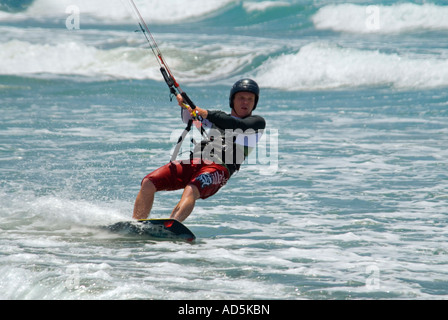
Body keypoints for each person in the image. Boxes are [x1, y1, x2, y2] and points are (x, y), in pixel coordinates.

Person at [132, 79, 266, 222]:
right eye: (241, 98)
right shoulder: (217, 118)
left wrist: (205, 112)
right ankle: (136, 224)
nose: (245, 102)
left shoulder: (256, 123)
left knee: (191, 189)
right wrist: (185, 105)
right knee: (148, 182)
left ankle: (172, 225)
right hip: (196, 161)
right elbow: (189, 118)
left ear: (255, 103)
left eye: (250, 99)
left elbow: (235, 124)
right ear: (232, 100)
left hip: (219, 169)